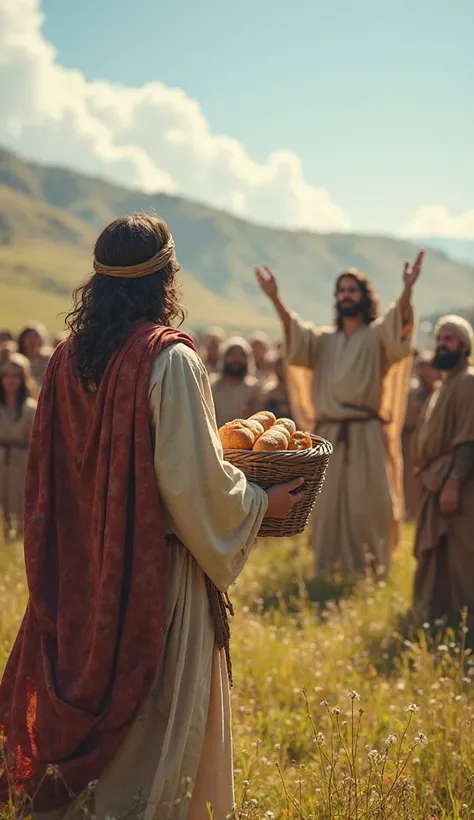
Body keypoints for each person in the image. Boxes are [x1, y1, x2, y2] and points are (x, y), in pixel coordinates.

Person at [0, 214, 303, 819]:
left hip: (82, 568)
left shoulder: (63, 360)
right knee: (157, 715)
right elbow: (195, 483)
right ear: (165, 277)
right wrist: (263, 504)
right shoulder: (170, 361)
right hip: (152, 571)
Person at [255, 253, 424, 576]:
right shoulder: (323, 341)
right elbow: (295, 335)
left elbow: (397, 324)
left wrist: (407, 289)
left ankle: (372, 568)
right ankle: (328, 567)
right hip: (329, 434)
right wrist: (276, 298)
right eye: (342, 290)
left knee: (372, 502)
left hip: (366, 433)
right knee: (327, 505)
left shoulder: (375, 337)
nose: (346, 295)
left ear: (364, 297)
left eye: (352, 290)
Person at [413, 315, 474, 623]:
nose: (441, 344)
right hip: (436, 481)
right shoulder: (445, 384)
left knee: (462, 557)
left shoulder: (468, 381)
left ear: (464, 346)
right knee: (439, 556)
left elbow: (468, 439)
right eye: (438, 339)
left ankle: (464, 622)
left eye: (448, 339)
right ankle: (440, 616)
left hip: (457, 487)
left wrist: (453, 482)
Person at [0, 353, 37, 542]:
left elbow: (35, 441)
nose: (11, 380)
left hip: (21, 461)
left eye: (16, 375)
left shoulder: (31, 408)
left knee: (20, 501)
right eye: (6, 375)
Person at [402, 352, 440, 520]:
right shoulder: (412, 391)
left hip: (430, 441)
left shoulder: (439, 390)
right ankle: (412, 513)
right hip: (411, 439)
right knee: (411, 479)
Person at [211, 337, 263, 427]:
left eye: (242, 355)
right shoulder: (213, 385)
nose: (237, 359)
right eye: (232, 354)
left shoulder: (254, 388)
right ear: (224, 357)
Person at [17, 322, 52, 390]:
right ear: (22, 339)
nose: (33, 341)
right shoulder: (17, 359)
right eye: (29, 337)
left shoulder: (49, 359)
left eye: (36, 337)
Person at [260, 352, 293, 419]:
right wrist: (278, 408)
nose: (283, 369)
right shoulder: (270, 389)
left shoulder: (298, 390)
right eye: (280, 366)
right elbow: (265, 411)